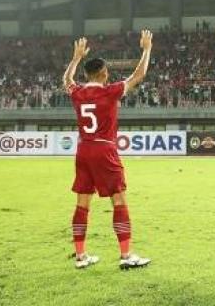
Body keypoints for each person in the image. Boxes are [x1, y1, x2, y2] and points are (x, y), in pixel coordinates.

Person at [63, 31, 153, 270]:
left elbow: (66, 81)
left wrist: (75, 59)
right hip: (104, 150)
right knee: (119, 200)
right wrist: (146, 49)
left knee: (82, 203)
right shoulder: (109, 91)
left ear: (87, 74)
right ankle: (126, 255)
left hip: (83, 150)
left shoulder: (79, 93)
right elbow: (139, 74)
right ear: (104, 74)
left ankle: (81, 257)